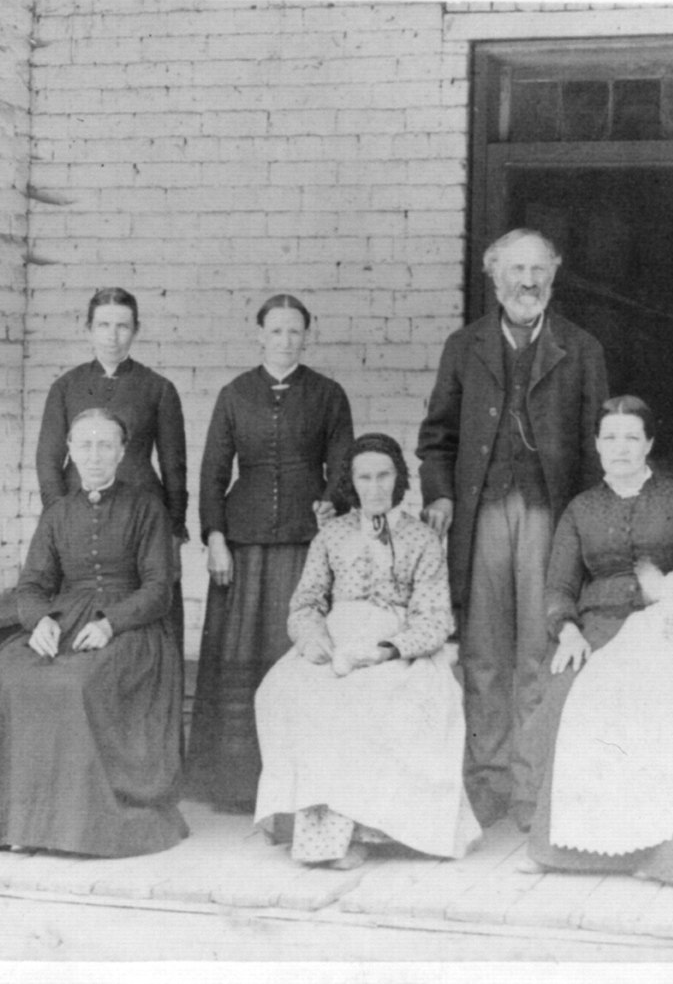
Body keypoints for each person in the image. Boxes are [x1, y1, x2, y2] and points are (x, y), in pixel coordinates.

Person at [417, 228, 609, 831]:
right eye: (516, 271)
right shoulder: (464, 345)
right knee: (483, 652)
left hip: (551, 514)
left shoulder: (581, 348)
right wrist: (440, 495)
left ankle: (531, 787)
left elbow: (596, 447)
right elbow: (437, 437)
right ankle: (487, 781)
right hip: (482, 513)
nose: (528, 282)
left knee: (539, 649)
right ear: (494, 277)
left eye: (538, 270)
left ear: (554, 273)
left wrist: (587, 525)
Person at [520, 396, 673, 884]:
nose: (620, 448)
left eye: (631, 437)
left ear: (648, 444)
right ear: (596, 445)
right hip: (600, 629)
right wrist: (567, 629)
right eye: (610, 437)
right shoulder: (581, 509)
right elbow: (559, 586)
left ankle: (672, 848)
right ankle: (580, 849)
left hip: (668, 627)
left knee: (666, 702)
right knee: (574, 694)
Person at [253, 433, 481, 869]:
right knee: (284, 690)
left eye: (384, 476)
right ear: (351, 482)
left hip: (398, 649)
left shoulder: (421, 538)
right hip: (335, 641)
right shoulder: (331, 535)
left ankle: (363, 833)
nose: (375, 487)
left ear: (399, 479)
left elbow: (435, 619)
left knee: (378, 701)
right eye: (364, 478)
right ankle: (320, 832)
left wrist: (387, 650)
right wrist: (312, 638)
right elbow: (306, 602)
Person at [0, 407, 188, 857]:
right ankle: (25, 819)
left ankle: (81, 826)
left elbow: (158, 590)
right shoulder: (57, 513)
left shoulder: (146, 508)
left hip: (132, 628)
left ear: (122, 452)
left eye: (105, 445)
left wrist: (111, 623)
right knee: (12, 676)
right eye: (85, 445)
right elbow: (32, 585)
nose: (95, 456)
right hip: (67, 621)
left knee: (79, 682)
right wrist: (40, 620)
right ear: (70, 450)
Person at [187, 294, 354, 813]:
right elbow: (213, 472)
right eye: (276, 331)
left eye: (294, 331)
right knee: (238, 651)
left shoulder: (328, 395)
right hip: (243, 545)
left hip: (306, 543)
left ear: (307, 336)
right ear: (259, 335)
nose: (285, 340)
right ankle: (235, 783)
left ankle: (300, 781)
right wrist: (215, 537)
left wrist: (331, 503)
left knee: (296, 647)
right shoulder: (235, 394)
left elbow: (343, 467)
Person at [35, 287, 188, 668]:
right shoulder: (65, 387)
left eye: (122, 326)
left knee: (146, 606)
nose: (112, 335)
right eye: (103, 325)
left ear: (136, 330)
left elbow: (174, 466)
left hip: (140, 519)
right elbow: (48, 460)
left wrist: (173, 528)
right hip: (79, 511)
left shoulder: (158, 388)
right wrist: (61, 517)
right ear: (88, 328)